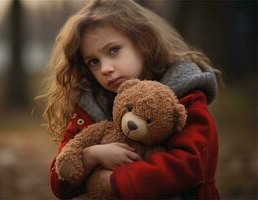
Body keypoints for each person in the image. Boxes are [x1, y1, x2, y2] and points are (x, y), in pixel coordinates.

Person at [38, 0, 222, 199]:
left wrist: (115, 181)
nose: (105, 68)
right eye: (94, 61)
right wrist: (92, 155)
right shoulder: (90, 104)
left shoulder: (185, 92)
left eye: (113, 50)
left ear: (143, 42)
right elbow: (60, 183)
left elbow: (192, 165)